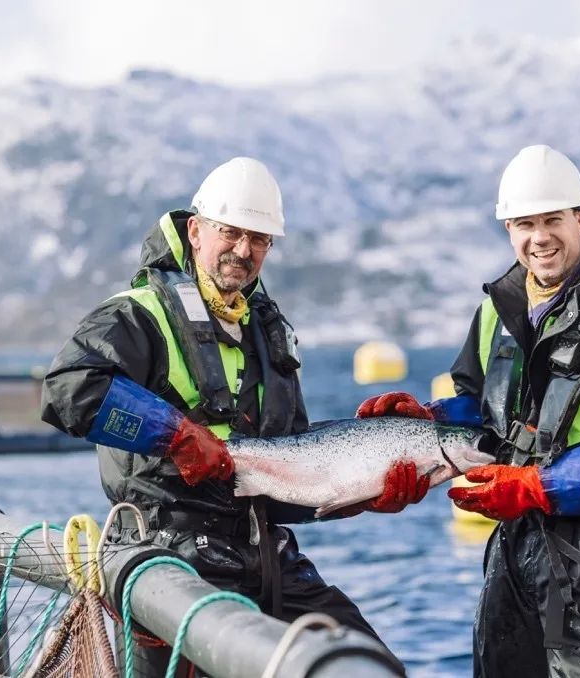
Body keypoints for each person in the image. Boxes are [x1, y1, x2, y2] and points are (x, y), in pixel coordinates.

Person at [41, 157, 418, 675]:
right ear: (196, 231)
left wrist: (357, 494)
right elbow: (68, 390)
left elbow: (283, 475)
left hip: (266, 556)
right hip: (167, 558)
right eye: (231, 233)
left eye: (259, 238)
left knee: (367, 665)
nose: (244, 250)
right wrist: (174, 434)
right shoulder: (137, 314)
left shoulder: (272, 333)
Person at [357, 145, 580, 677]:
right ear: (508, 230)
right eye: (524, 223)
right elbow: (482, 409)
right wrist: (429, 421)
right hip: (515, 558)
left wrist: (533, 488)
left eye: (552, 220)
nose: (539, 237)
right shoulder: (498, 310)